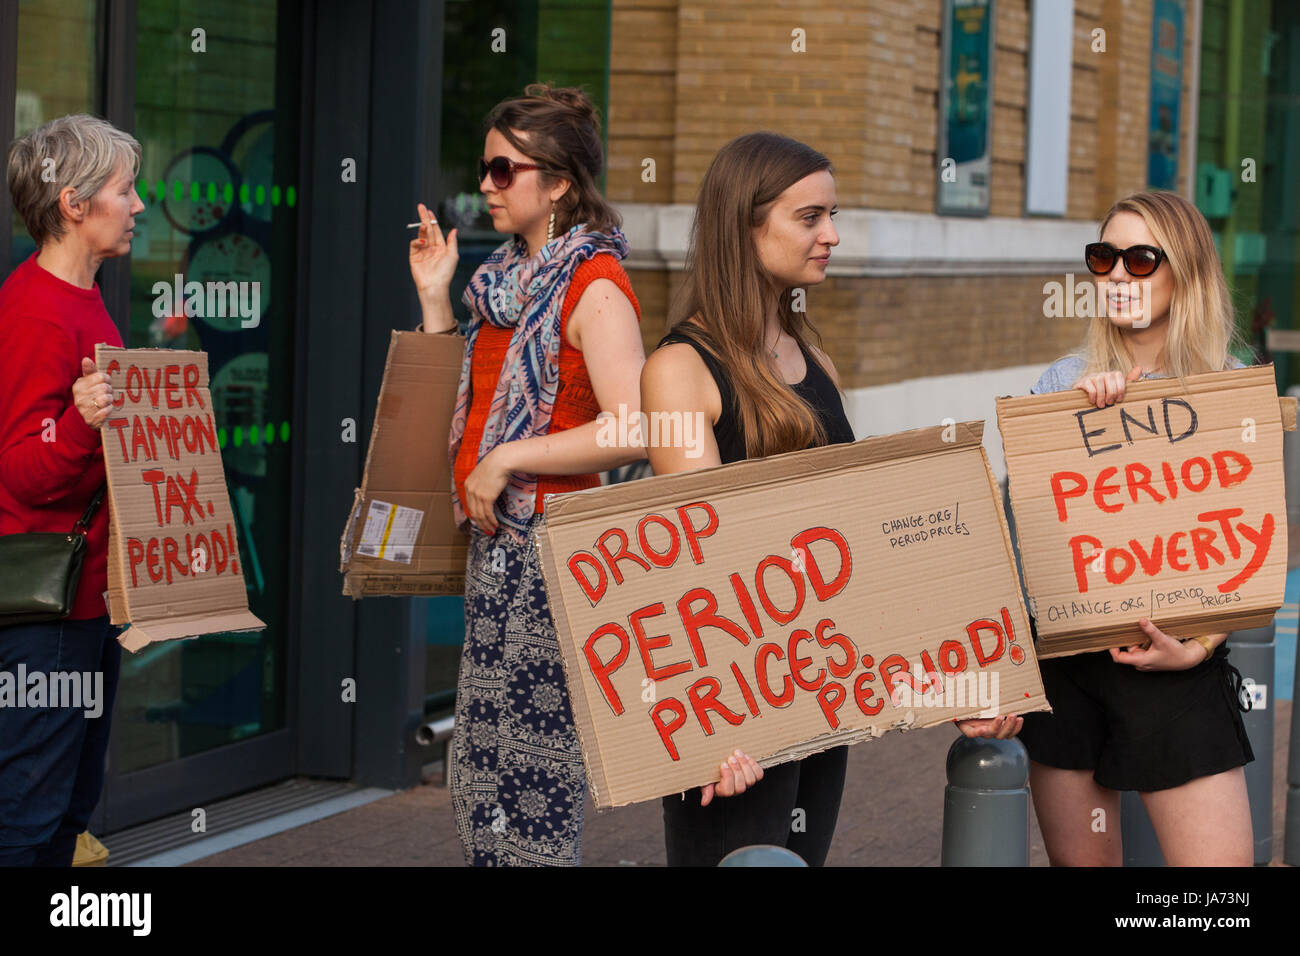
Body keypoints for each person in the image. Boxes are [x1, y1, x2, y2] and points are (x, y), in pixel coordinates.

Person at [408, 84, 646, 866]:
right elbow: (466, 407)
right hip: (498, 551)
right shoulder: (502, 284)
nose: (486, 185)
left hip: (557, 554)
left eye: (504, 170)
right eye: (485, 169)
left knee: (535, 778)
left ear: (560, 184)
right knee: (480, 770)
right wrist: (437, 299)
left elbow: (630, 429)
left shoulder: (595, 286)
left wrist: (507, 458)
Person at [1014, 189, 1255, 866]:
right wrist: (1077, 423)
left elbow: (1245, 542)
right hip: (1069, 669)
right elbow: (1032, 537)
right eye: (1105, 257)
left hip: (1174, 669)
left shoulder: (1227, 387)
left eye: (1141, 258)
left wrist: (1201, 646)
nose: (1118, 274)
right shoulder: (1061, 381)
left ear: (1187, 271)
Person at [0, 114, 144, 866]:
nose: (141, 205)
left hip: (86, 601)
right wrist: (83, 425)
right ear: (74, 204)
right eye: (126, 189)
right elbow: (22, 470)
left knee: (66, 811)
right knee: (28, 814)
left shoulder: (83, 300)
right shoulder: (33, 312)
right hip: (46, 613)